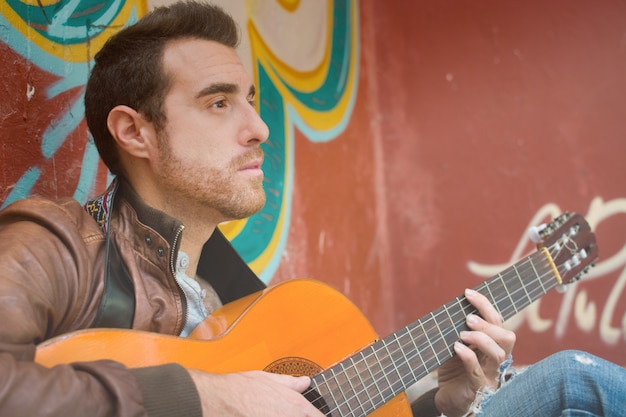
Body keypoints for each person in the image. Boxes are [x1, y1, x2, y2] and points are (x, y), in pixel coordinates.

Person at [0, 1, 623, 416]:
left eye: (251, 99)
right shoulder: (55, 248)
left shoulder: (234, 294)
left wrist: (444, 406)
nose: (259, 128)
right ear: (135, 133)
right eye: (219, 104)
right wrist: (212, 396)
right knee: (575, 380)